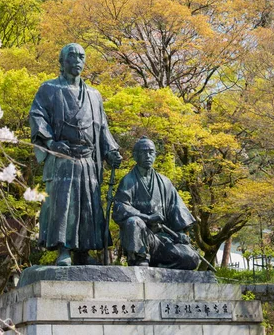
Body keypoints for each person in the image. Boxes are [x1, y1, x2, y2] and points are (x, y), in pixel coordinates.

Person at [29, 43, 122, 266]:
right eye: (73, 56)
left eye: (82, 56)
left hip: (89, 159)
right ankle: (64, 250)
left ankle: (84, 251)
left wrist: (111, 151)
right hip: (63, 157)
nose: (78, 60)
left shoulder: (94, 95)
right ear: (62, 61)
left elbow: (102, 127)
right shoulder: (49, 89)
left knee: (88, 204)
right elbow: (37, 116)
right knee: (63, 204)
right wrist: (51, 142)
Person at [112, 137, 200, 270]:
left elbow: (176, 210)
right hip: (141, 236)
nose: (148, 156)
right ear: (135, 156)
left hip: (161, 239)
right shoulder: (128, 181)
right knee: (134, 221)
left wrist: (181, 234)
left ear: (155, 155)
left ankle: (160, 266)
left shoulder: (165, 182)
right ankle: (139, 258)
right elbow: (120, 207)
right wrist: (146, 217)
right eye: (143, 152)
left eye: (151, 152)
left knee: (192, 258)